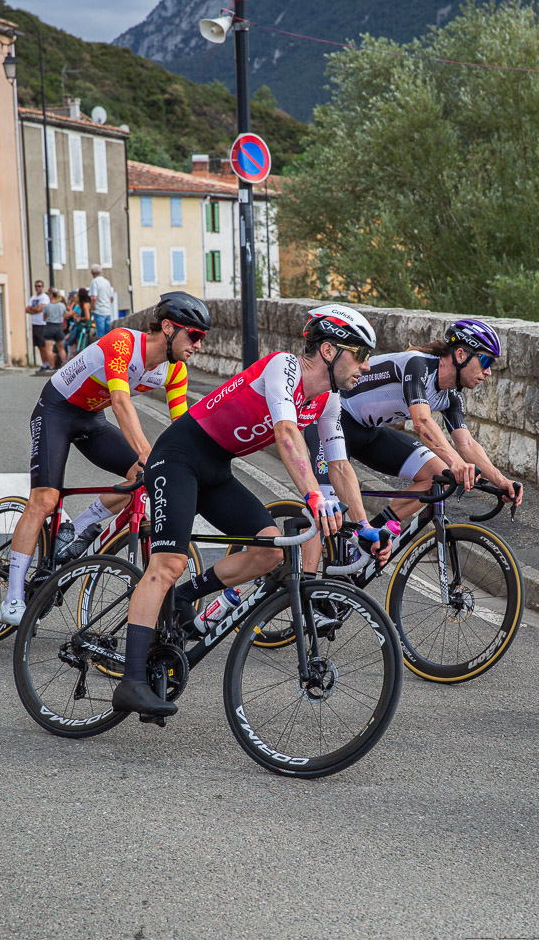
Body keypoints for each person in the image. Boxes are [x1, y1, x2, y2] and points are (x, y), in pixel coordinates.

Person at [111, 303, 394, 718]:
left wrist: (364, 524)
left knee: (271, 553)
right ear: (331, 350)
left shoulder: (329, 400)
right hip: (178, 457)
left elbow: (340, 464)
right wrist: (315, 497)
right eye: (361, 355)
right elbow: (285, 431)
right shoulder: (284, 367)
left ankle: (185, 598)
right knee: (168, 562)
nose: (366, 367)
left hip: (216, 469)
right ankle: (131, 681)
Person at [0, 291, 211, 627]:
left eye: (203, 338)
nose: (199, 345)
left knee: (140, 476)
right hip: (57, 410)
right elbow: (122, 403)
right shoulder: (123, 343)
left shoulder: (175, 371)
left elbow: (183, 426)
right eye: (195, 335)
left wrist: (198, 463)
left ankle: (78, 528)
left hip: (91, 419)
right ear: (169, 327)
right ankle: (12, 598)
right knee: (45, 499)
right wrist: (148, 454)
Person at [303, 319, 523, 548]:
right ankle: (304, 580)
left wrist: (502, 481)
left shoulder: (451, 396)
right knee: (327, 512)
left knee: (439, 473)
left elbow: (466, 443)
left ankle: (369, 539)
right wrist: (457, 462)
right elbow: (422, 421)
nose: (488, 372)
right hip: (330, 420)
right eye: (485, 360)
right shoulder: (418, 365)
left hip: (367, 432)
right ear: (460, 355)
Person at [26, 279, 51, 372]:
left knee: (43, 345)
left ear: (42, 287)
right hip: (35, 323)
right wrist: (34, 309)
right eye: (36, 286)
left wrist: (33, 310)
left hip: (42, 324)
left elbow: (40, 309)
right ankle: (44, 364)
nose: (37, 288)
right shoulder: (33, 298)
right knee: (39, 346)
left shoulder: (44, 297)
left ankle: (48, 364)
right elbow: (27, 309)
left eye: (39, 286)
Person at [42, 288, 67, 369]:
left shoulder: (47, 306)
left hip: (49, 326)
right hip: (58, 326)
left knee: (49, 348)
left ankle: (52, 366)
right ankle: (64, 365)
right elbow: (65, 315)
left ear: (51, 295)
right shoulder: (61, 305)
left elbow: (44, 318)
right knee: (61, 348)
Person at [89, 264, 114, 338]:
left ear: (92, 273)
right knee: (108, 335)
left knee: (100, 336)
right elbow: (111, 298)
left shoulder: (94, 282)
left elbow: (94, 298)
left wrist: (93, 309)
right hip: (107, 311)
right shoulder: (107, 282)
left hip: (99, 311)